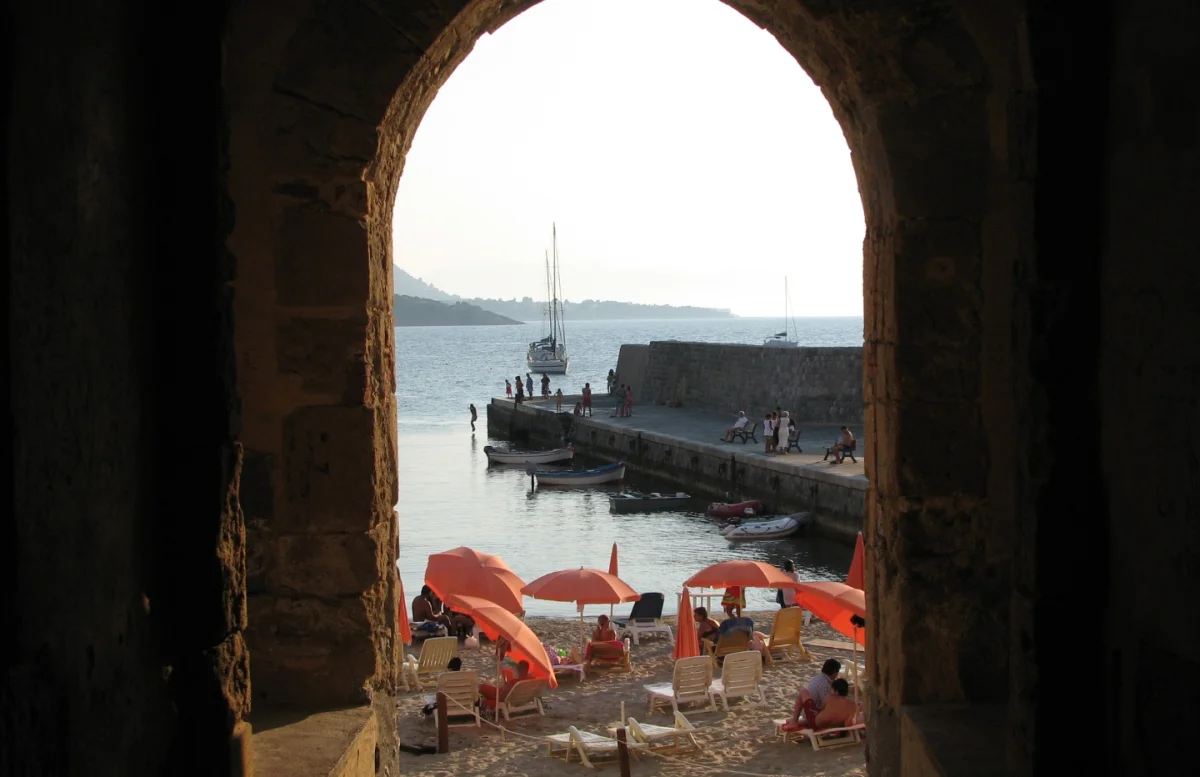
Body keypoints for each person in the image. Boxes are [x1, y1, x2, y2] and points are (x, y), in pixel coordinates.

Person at [782, 659, 842, 731]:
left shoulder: (817, 677)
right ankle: (797, 722)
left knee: (803, 692)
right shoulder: (825, 685)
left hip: (806, 711)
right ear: (834, 672)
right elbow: (826, 706)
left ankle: (795, 720)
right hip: (813, 715)